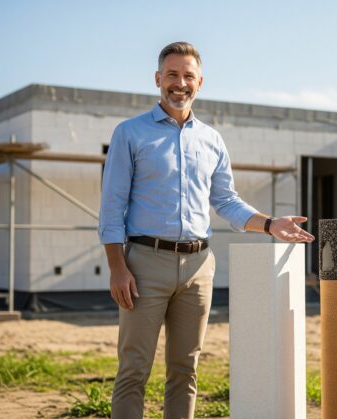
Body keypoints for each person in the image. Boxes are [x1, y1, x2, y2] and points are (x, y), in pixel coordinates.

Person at [98, 41, 314, 419]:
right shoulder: (129, 134)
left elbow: (227, 201)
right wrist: (118, 266)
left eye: (188, 76)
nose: (179, 83)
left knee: (186, 370)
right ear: (157, 79)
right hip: (143, 265)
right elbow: (112, 206)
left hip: (199, 267)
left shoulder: (212, 140)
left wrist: (268, 224)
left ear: (200, 82)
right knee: (134, 369)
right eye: (172, 75)